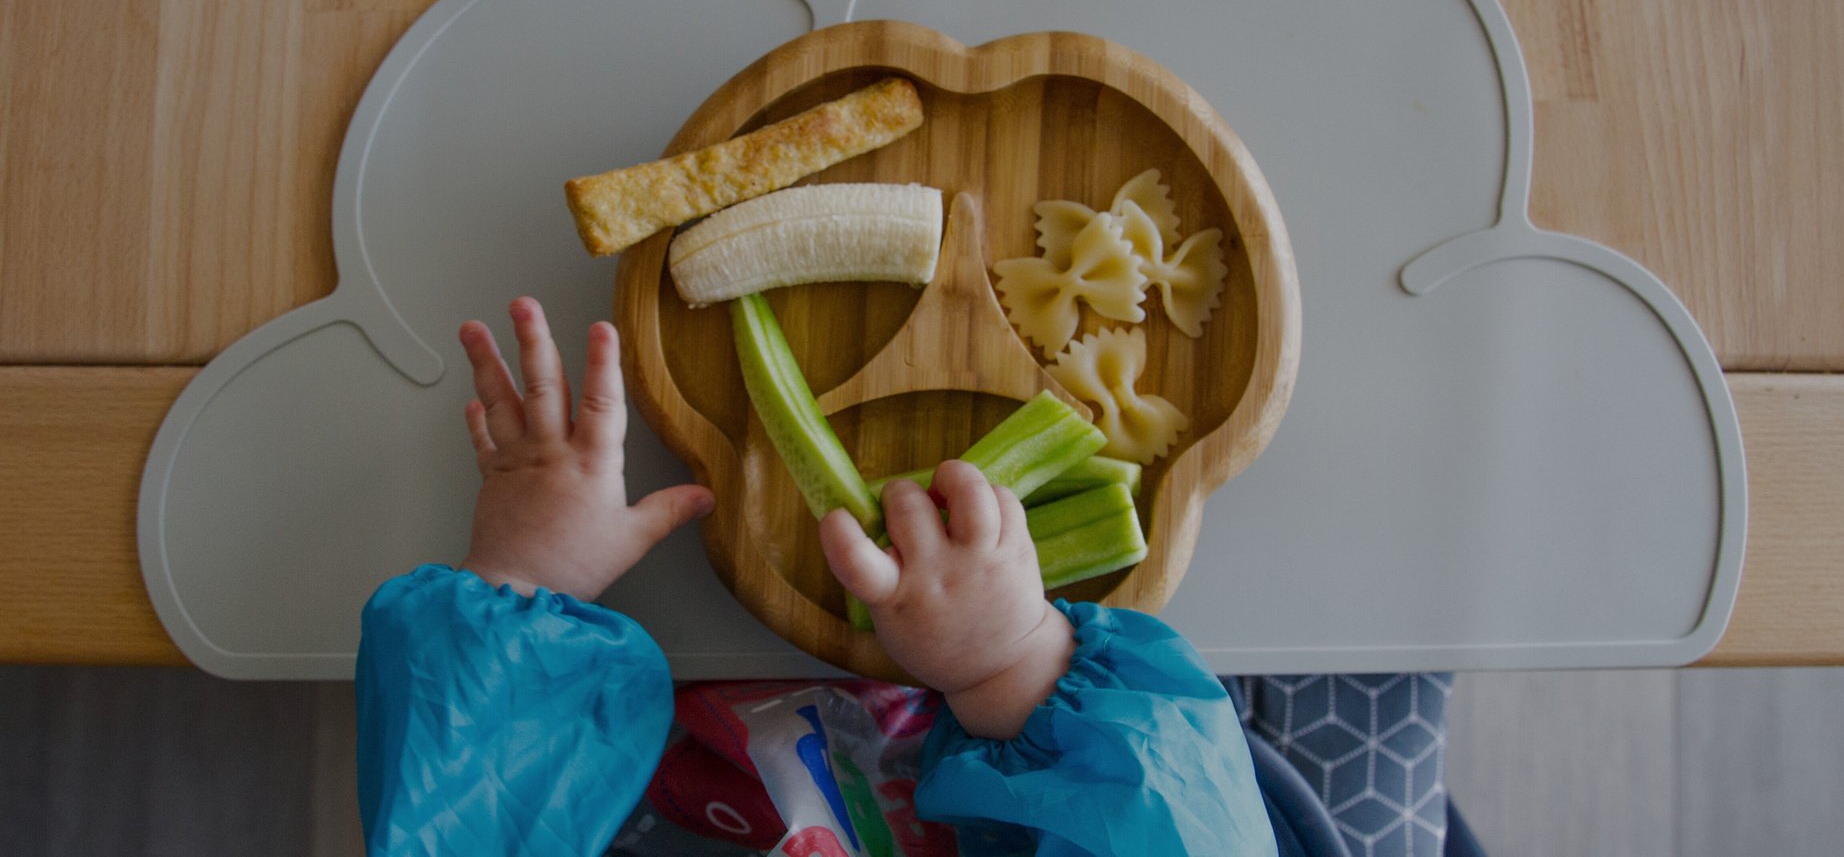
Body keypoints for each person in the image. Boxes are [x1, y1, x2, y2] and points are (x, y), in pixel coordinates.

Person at [356, 297, 1280, 855]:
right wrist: (1012, 662)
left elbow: (458, 821)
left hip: (614, 757)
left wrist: (521, 579)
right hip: (1037, 763)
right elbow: (1175, 822)